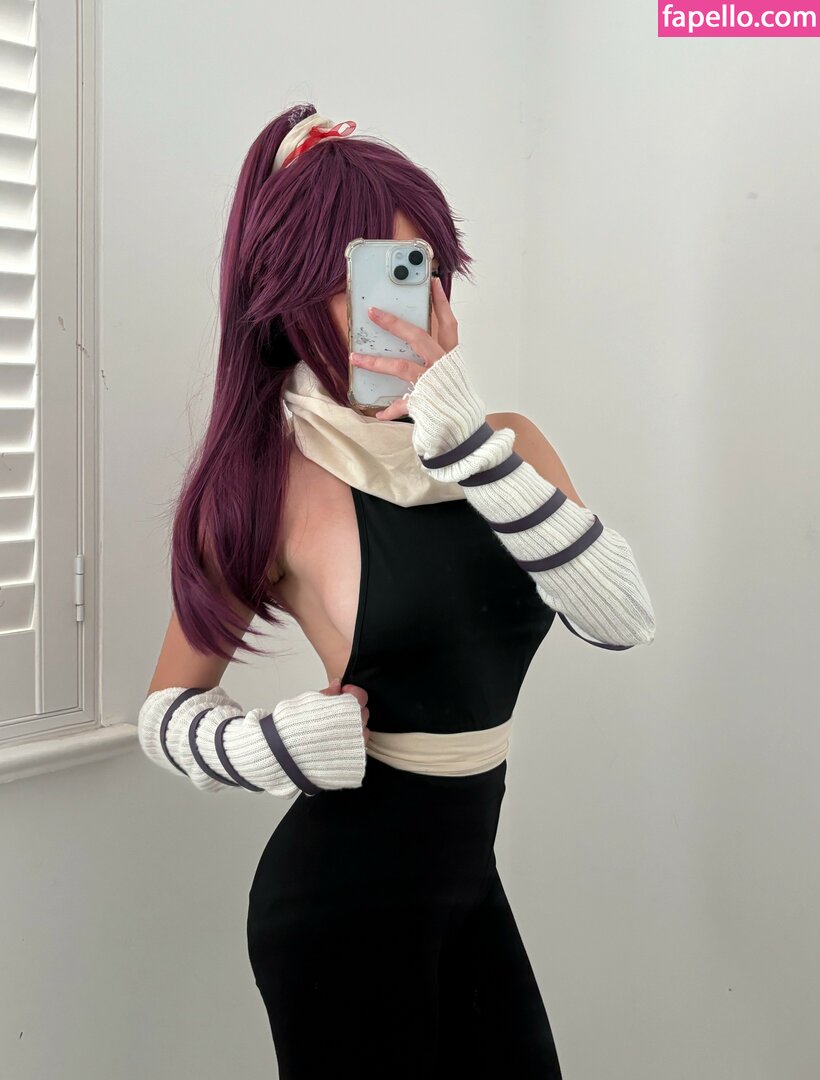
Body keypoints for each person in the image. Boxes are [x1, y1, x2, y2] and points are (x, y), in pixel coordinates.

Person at [137, 104, 656, 1079]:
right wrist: (271, 746)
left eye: (412, 273)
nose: (393, 312)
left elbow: (622, 616)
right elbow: (163, 714)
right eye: (358, 282)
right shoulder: (269, 487)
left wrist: (465, 444)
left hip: (468, 887)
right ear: (292, 298)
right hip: (335, 908)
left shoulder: (508, 446)